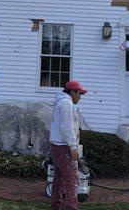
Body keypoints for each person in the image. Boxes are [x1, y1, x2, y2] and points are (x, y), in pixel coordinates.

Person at [49, 80, 87, 210]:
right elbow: (66, 127)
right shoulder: (66, 104)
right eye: (79, 93)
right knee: (72, 180)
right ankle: (71, 207)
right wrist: (73, 147)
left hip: (57, 147)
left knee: (59, 179)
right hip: (63, 147)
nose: (80, 97)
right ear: (72, 92)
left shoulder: (61, 102)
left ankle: (55, 206)